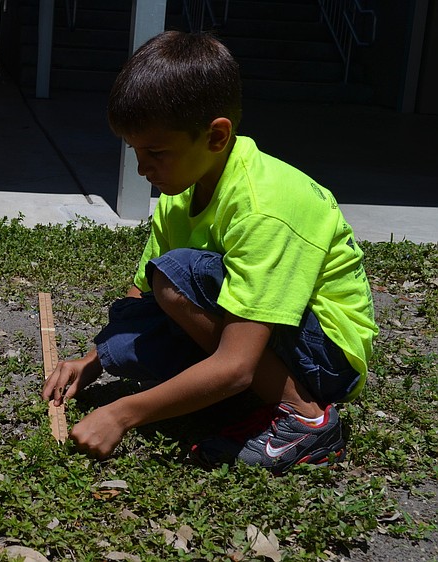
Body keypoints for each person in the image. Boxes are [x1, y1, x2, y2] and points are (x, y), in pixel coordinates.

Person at [41, 30, 378, 475]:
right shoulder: (180, 193)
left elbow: (236, 365)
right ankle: (246, 394)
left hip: (327, 357)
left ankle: (305, 417)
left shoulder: (266, 206)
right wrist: (92, 360)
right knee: (144, 310)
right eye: (136, 151)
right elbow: (141, 296)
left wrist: (122, 413)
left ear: (217, 136)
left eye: (156, 152)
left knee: (178, 276)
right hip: (263, 333)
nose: (143, 169)